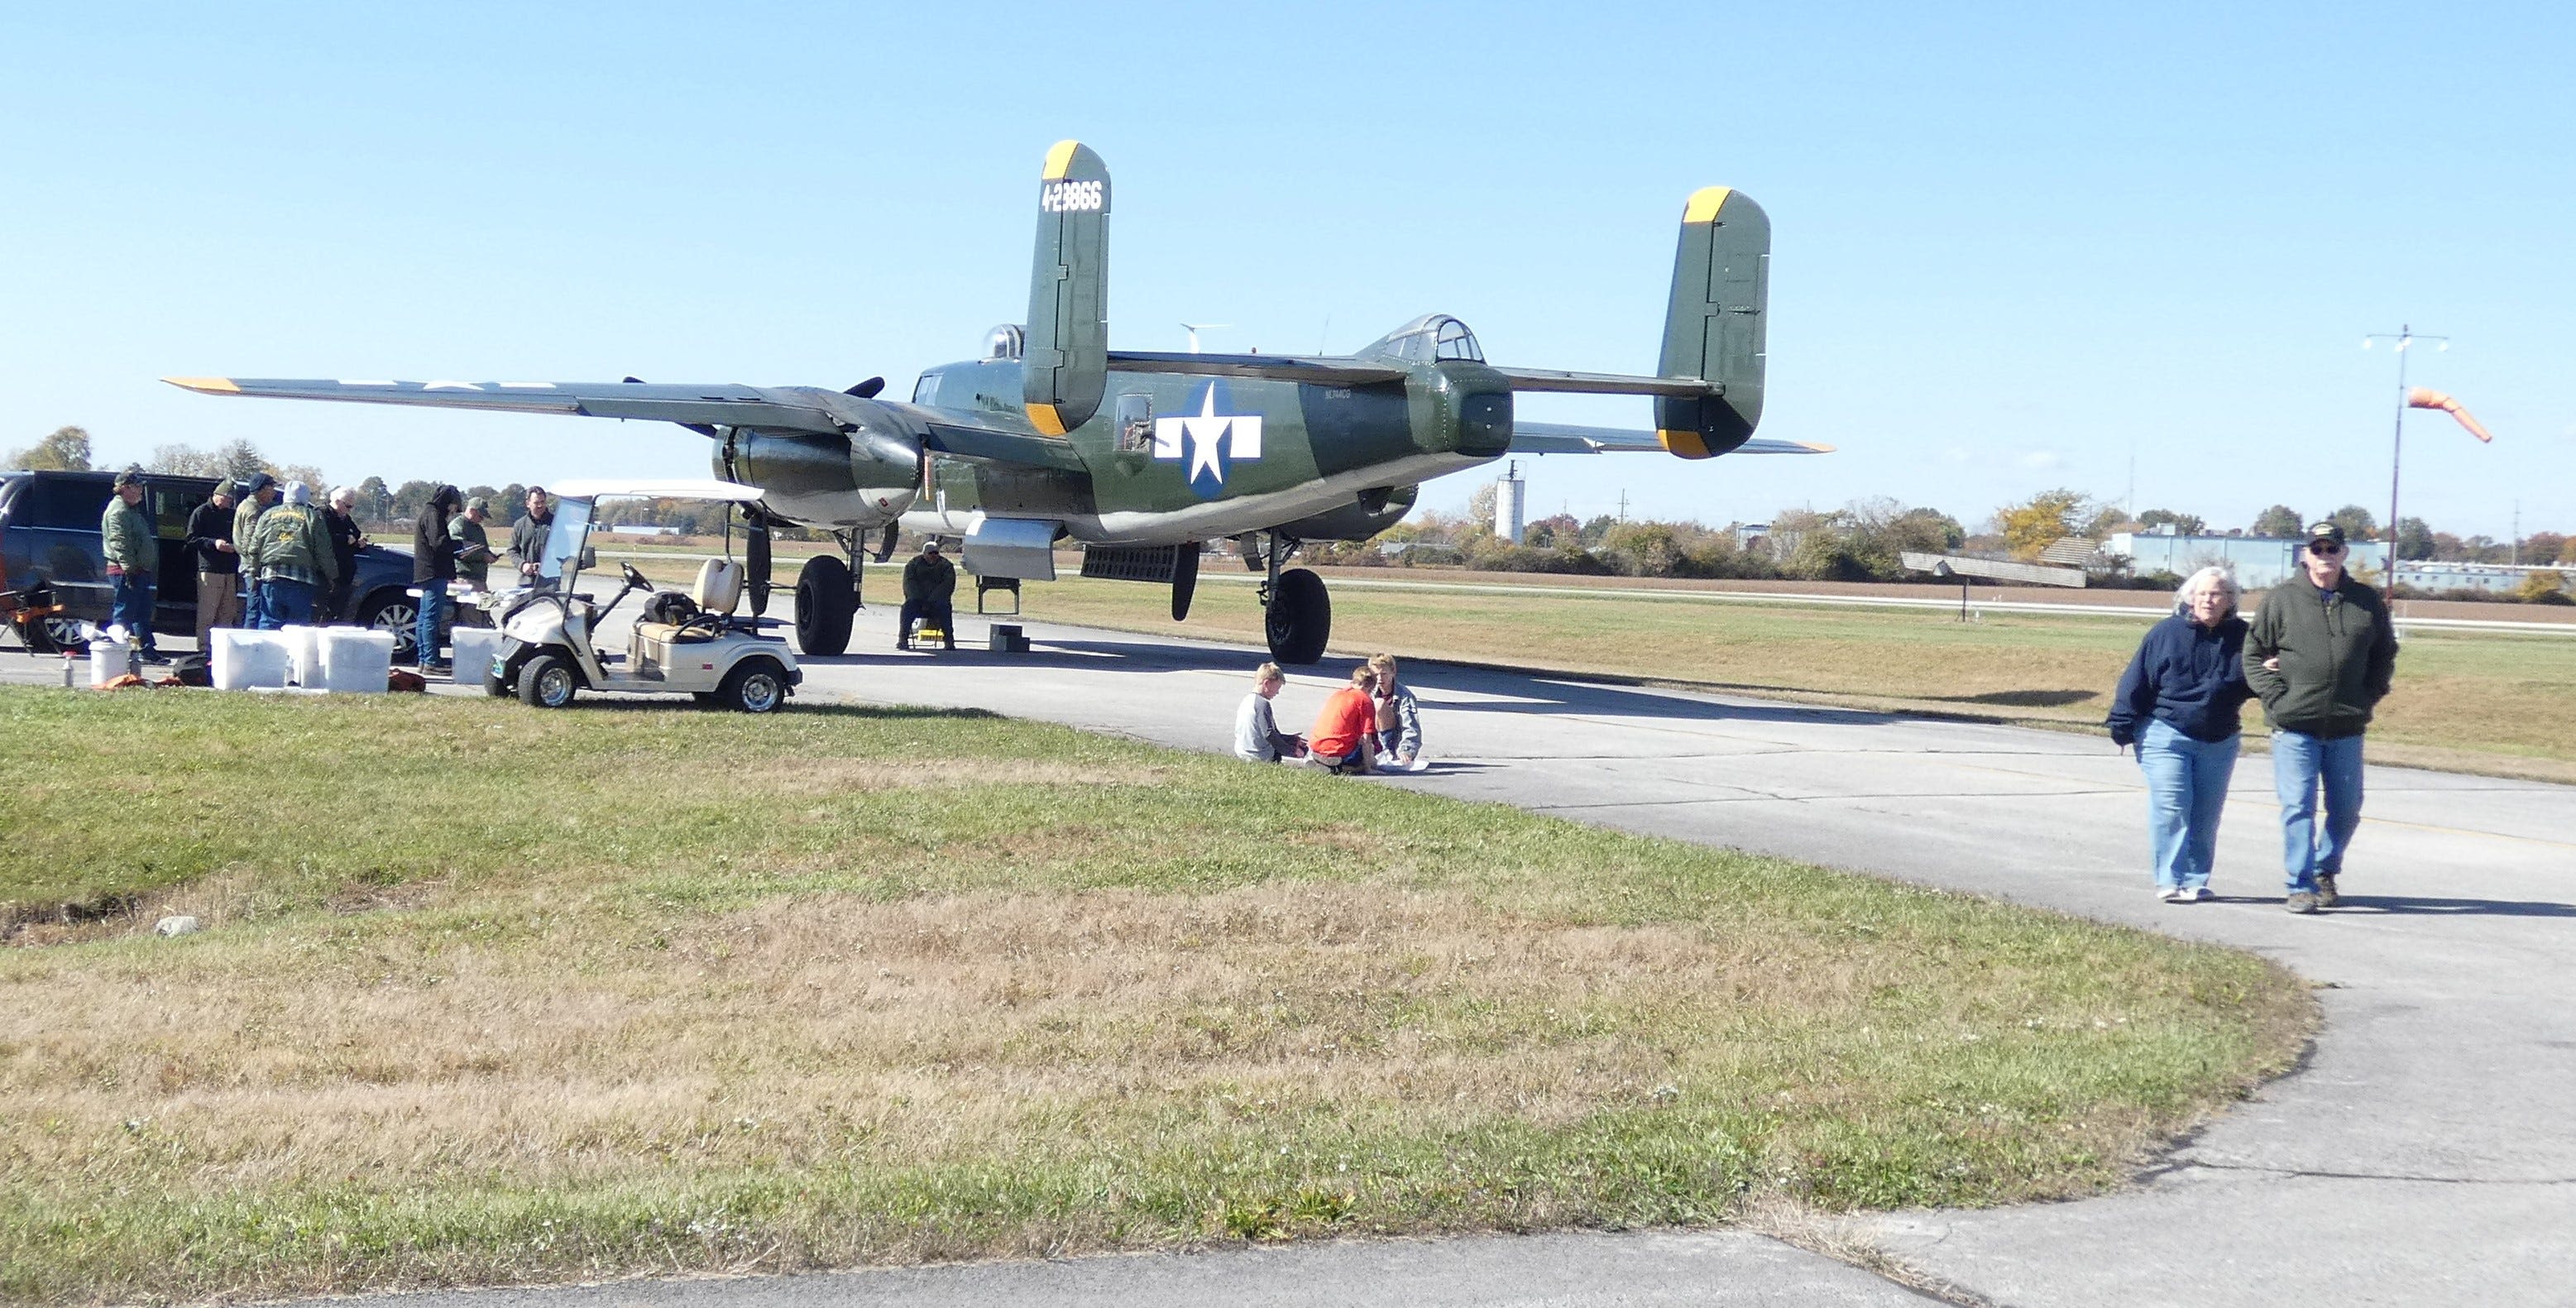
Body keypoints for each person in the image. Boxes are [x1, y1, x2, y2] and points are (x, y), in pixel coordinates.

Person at [2244, 521, 2398, 915]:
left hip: (2347, 726)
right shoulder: (2280, 600)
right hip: (2294, 725)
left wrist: (2370, 694)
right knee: (2298, 806)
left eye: (2332, 549)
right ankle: (2299, 885)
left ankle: (2324, 870)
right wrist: (2279, 698)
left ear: (2344, 554)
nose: (2324, 556)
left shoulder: (2366, 600)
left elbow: (2384, 653)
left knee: (2346, 809)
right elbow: (2253, 655)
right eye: (2317, 549)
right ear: (2304, 554)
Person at [2106, 567, 2252, 903]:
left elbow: (2260, 682)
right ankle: (2169, 879)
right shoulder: (2166, 633)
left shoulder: (2246, 637)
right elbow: (2136, 681)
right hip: (2165, 733)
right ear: (2190, 597)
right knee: (2173, 806)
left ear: (2231, 600)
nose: (2209, 600)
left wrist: (2274, 671)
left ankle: (2196, 880)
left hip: (2221, 737)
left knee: (2206, 812)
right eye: (2202, 594)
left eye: (2217, 594)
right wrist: (2122, 723)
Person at [245, 482, 338, 629]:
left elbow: (254, 548)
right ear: (305, 497)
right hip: (301, 580)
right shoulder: (313, 517)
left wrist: (254, 573)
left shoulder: (267, 515)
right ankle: (293, 653)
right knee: (298, 629)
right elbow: (323, 551)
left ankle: (267, 651)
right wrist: (331, 576)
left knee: (269, 622)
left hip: (271, 577)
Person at [99, 467, 167, 663]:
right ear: (125, 488)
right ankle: (115, 653)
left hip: (138, 570)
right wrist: (129, 570)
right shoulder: (118, 512)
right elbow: (120, 542)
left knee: (142, 613)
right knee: (124, 612)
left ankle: (146, 650)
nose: (140, 491)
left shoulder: (131, 510)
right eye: (137, 487)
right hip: (125, 571)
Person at [184, 478, 242, 654]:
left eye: (231, 499)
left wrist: (234, 546)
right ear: (217, 496)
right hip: (209, 569)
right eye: (226, 498)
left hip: (229, 570)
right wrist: (214, 543)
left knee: (228, 612)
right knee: (207, 613)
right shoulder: (201, 512)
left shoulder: (231, 515)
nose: (229, 501)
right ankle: (204, 648)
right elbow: (191, 539)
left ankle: (222, 648)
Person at [413, 484, 463, 671]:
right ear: (448, 503)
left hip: (426, 572)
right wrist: (459, 546)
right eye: (454, 508)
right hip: (434, 572)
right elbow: (439, 542)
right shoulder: (434, 515)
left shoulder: (428, 512)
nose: (454, 512)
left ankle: (423, 659)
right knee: (431, 618)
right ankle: (431, 661)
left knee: (424, 617)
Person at [1306, 664, 1380, 774]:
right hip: (1339, 750)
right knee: (1372, 760)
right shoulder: (1365, 700)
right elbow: (1367, 738)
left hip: (1317, 745)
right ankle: (1339, 768)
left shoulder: (1338, 694)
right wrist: (1368, 767)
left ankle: (1322, 762)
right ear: (1371, 687)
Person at [1233, 662, 1306, 763]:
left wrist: (1291, 740)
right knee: (1301, 754)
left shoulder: (1247, 700)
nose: (1277, 692)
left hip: (1242, 752)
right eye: (1277, 688)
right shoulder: (1262, 704)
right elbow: (1269, 734)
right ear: (1266, 684)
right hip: (1258, 756)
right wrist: (1292, 751)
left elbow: (1262, 733)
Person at [232, 472, 279, 625]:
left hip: (251, 566)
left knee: (254, 608)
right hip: (254, 569)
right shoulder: (254, 511)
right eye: (272, 487)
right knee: (256, 610)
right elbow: (249, 543)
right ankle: (251, 645)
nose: (274, 491)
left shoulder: (247, 505)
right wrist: (255, 569)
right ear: (262, 489)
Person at [1367, 653, 1424, 771]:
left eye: (1384, 674)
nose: (1379, 679)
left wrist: (1406, 751)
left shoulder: (1405, 696)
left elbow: (1411, 726)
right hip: (1370, 741)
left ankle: (1387, 751)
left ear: (1393, 672)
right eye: (1375, 675)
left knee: (1379, 704)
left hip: (1395, 744)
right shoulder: (1368, 692)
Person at [898, 539, 956, 650]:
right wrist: (919, 599)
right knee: (907, 608)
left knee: (944, 608)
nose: (934, 556)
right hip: (918, 601)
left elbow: (947, 585)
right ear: (924, 554)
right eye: (931, 553)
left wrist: (931, 600)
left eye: (936, 553)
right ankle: (903, 639)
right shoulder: (913, 564)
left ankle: (949, 641)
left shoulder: (946, 565)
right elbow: (909, 583)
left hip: (937, 602)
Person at [319, 486, 366, 621]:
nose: (350, 509)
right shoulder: (323, 514)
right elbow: (324, 539)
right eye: (348, 506)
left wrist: (359, 544)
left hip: (345, 573)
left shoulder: (345, 518)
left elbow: (355, 533)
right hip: (328, 573)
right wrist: (344, 539)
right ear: (337, 501)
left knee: (340, 611)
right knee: (325, 612)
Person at [508, 486, 554, 584]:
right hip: (526, 582)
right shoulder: (519, 525)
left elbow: (564, 550)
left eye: (543, 502)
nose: (540, 506)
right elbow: (512, 550)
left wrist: (547, 565)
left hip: (550, 582)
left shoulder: (556, 523)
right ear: (528, 503)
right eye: (536, 503)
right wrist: (522, 565)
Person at [450, 496, 495, 591]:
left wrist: (490, 555)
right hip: (463, 579)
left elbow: (483, 548)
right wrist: (483, 556)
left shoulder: (478, 529)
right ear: (472, 511)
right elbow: (460, 551)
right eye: (480, 516)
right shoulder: (458, 526)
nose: (482, 519)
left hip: (479, 579)